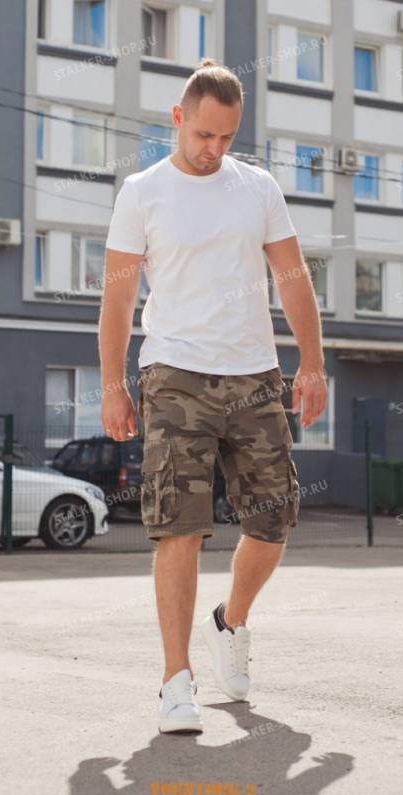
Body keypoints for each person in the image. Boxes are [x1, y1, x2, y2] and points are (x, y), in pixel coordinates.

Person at [98, 58, 327, 734]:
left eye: (226, 137)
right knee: (180, 523)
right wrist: (112, 385)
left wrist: (312, 365)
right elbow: (117, 298)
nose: (213, 149)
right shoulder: (142, 192)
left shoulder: (258, 188)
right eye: (203, 134)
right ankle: (177, 681)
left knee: (273, 519)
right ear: (178, 118)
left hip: (255, 375)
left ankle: (231, 620)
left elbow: (292, 276)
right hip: (174, 373)